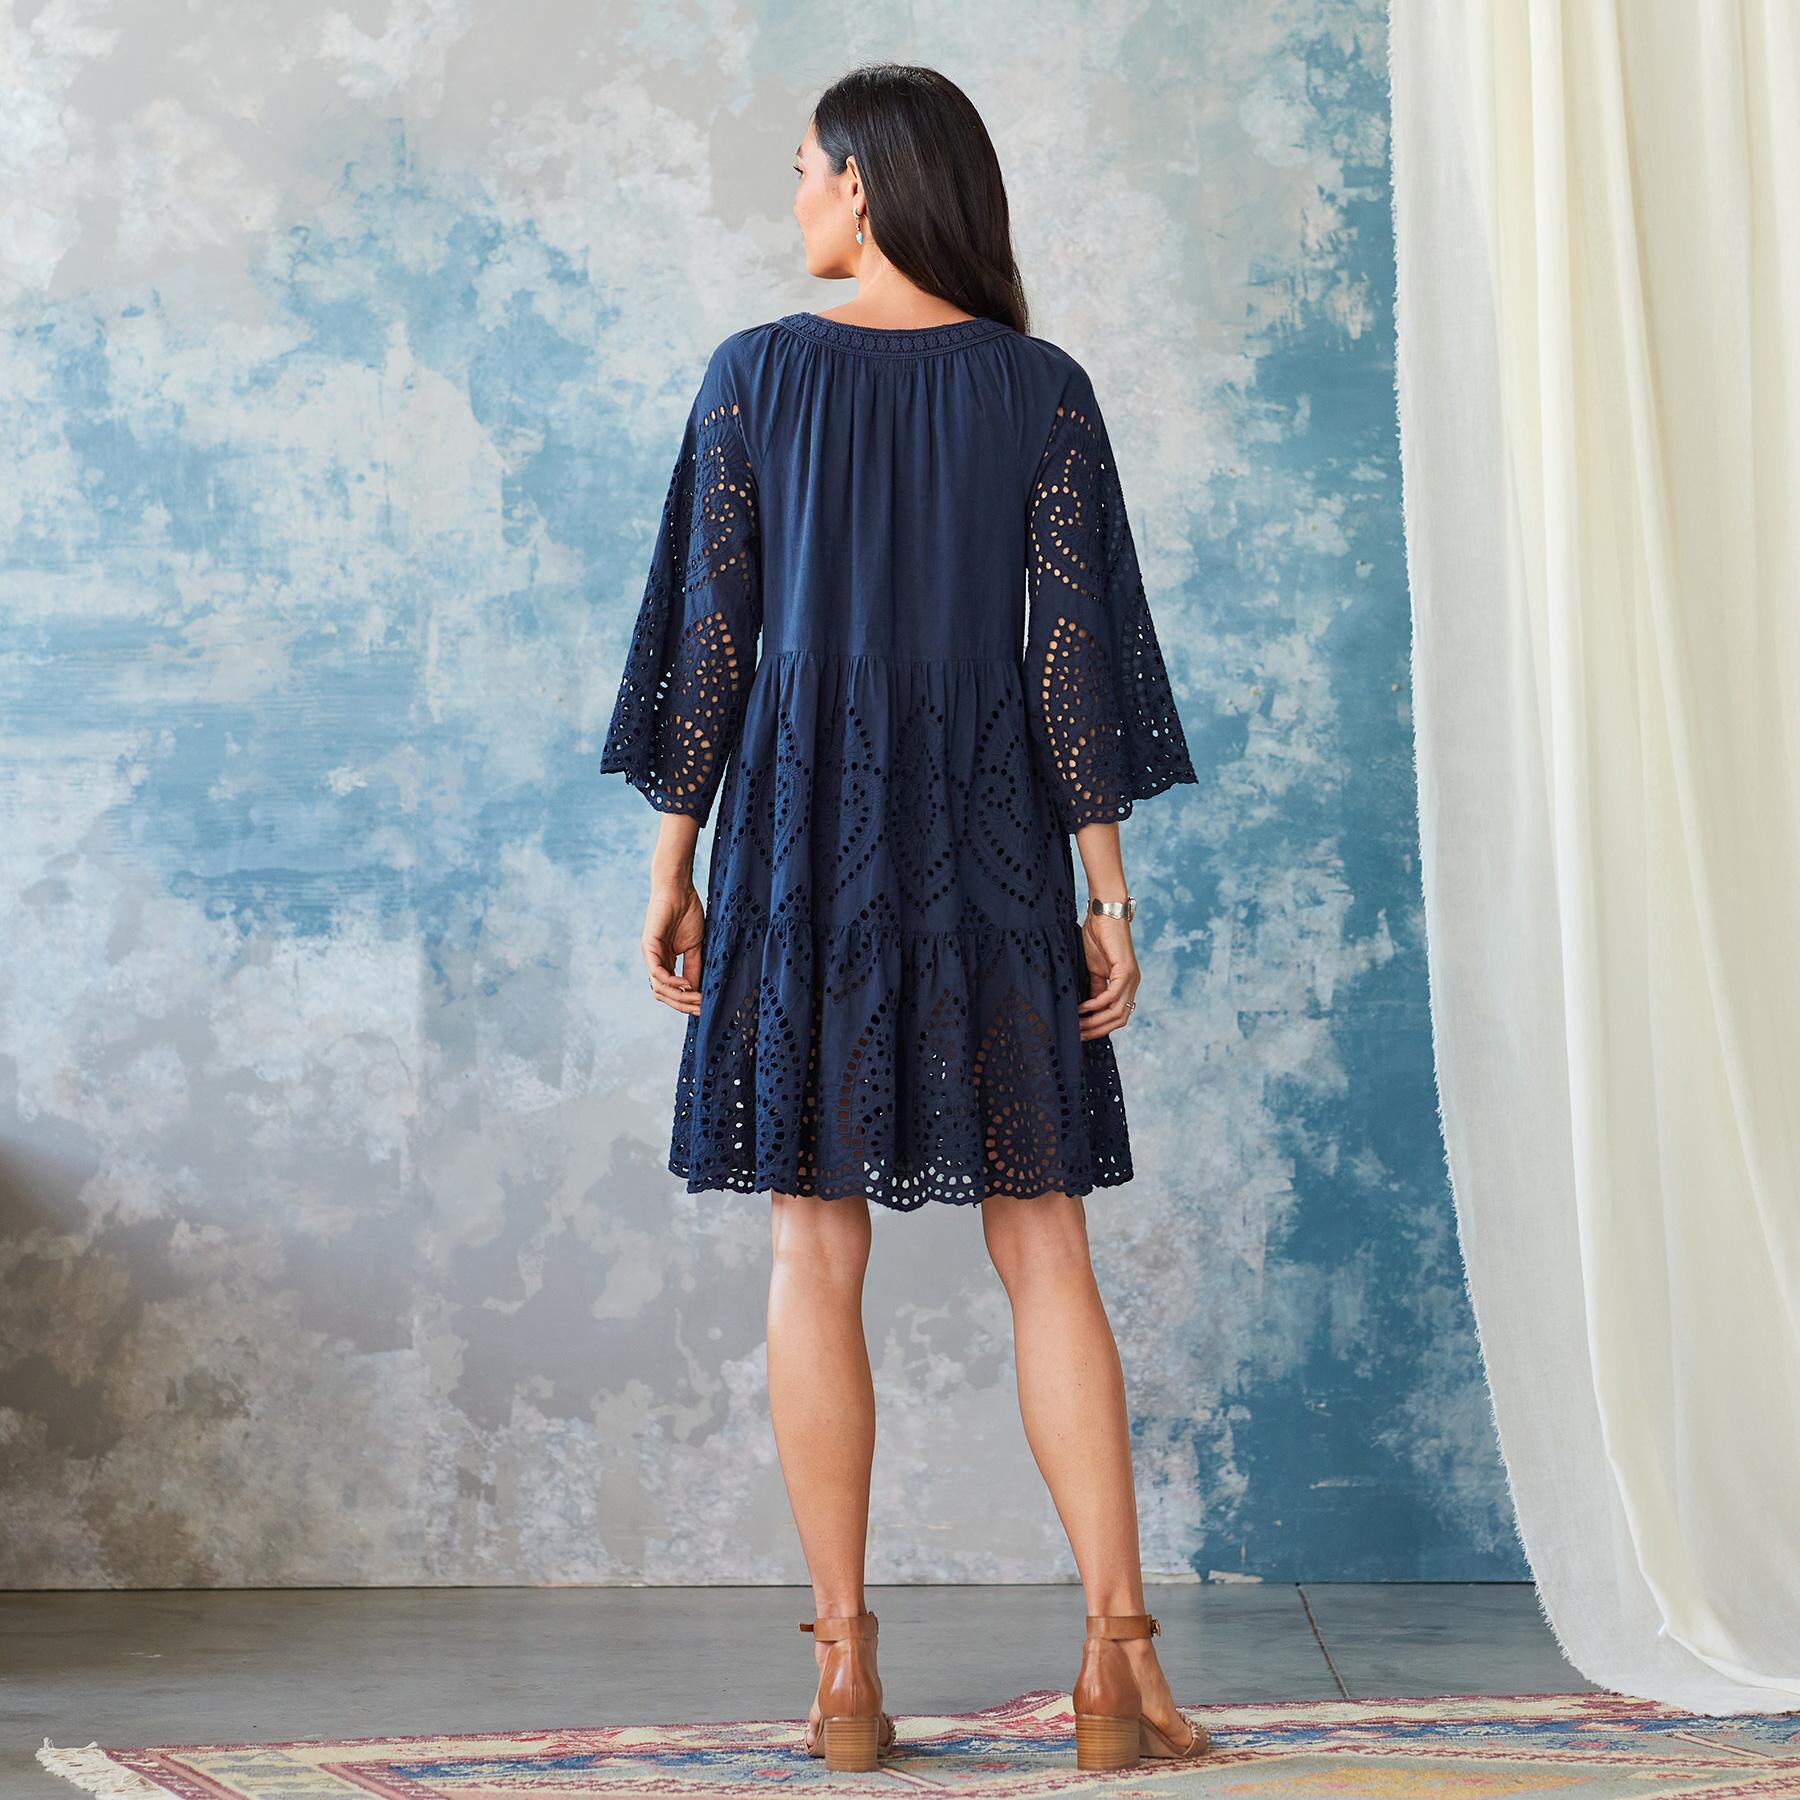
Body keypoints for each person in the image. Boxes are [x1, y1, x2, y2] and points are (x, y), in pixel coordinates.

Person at [599, 62, 1208, 1776]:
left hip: (802, 834)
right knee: (1045, 1238)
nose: (793, 195)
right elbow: (1072, 660)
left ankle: (846, 1675)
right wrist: (1105, 891)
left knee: (814, 1243)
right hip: (991, 831)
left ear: (863, 183)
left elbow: (713, 641)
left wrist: (673, 863)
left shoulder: (754, 375)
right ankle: (1117, 1663)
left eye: (804, 167)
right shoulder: (1040, 388)